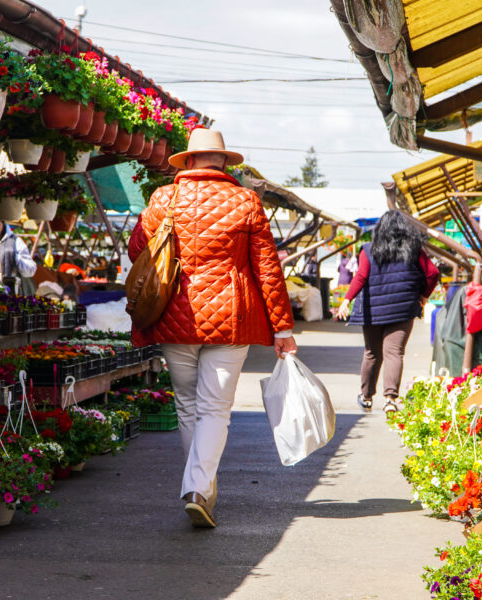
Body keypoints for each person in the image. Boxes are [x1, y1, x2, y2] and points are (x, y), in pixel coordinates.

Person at [128, 128, 297, 529]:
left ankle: (199, 485)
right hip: (231, 320)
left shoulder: (163, 199)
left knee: (188, 406)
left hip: (173, 316)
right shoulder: (246, 202)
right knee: (215, 409)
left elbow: (138, 251)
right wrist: (283, 328)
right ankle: (199, 488)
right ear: (223, 161)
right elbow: (267, 269)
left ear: (188, 161)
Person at [337, 210, 439, 414]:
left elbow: (361, 276)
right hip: (403, 307)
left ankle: (366, 397)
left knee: (372, 353)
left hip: (373, 310)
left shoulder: (368, 249)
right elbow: (433, 273)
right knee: (394, 352)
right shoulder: (414, 249)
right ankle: (390, 399)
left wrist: (346, 300)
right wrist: (424, 295)